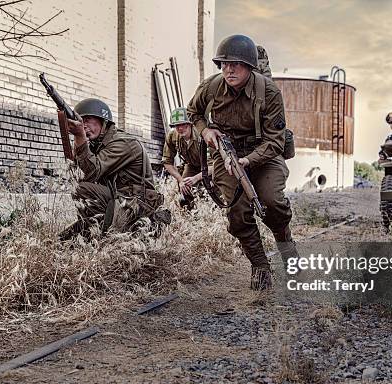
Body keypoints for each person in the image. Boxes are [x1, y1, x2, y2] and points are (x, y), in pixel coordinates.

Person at [187, 34, 297, 291]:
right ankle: (259, 265)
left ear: (249, 66)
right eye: (224, 64)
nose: (229, 69)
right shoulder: (211, 87)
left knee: (272, 203)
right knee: (237, 214)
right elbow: (193, 112)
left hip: (263, 153)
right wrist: (206, 131)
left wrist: (247, 160)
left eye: (235, 64)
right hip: (226, 154)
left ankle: (287, 248)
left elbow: (275, 142)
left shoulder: (268, 91)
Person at [60, 98, 167, 239]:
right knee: (64, 240)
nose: (83, 125)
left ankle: (110, 233)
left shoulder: (123, 142)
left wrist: (80, 136)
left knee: (83, 188)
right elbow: (77, 174)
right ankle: (95, 231)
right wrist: (79, 141)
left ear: (104, 122)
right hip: (117, 199)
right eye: (80, 121)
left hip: (136, 204)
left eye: (87, 120)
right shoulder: (97, 143)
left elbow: (91, 173)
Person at [162, 107, 203, 208]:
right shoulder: (172, 136)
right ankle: (191, 215)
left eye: (183, 124)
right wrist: (180, 180)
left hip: (210, 167)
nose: (180, 128)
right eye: (177, 125)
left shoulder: (201, 135)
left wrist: (196, 178)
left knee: (214, 190)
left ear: (190, 124)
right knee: (184, 188)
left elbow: (214, 164)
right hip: (192, 165)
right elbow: (167, 162)